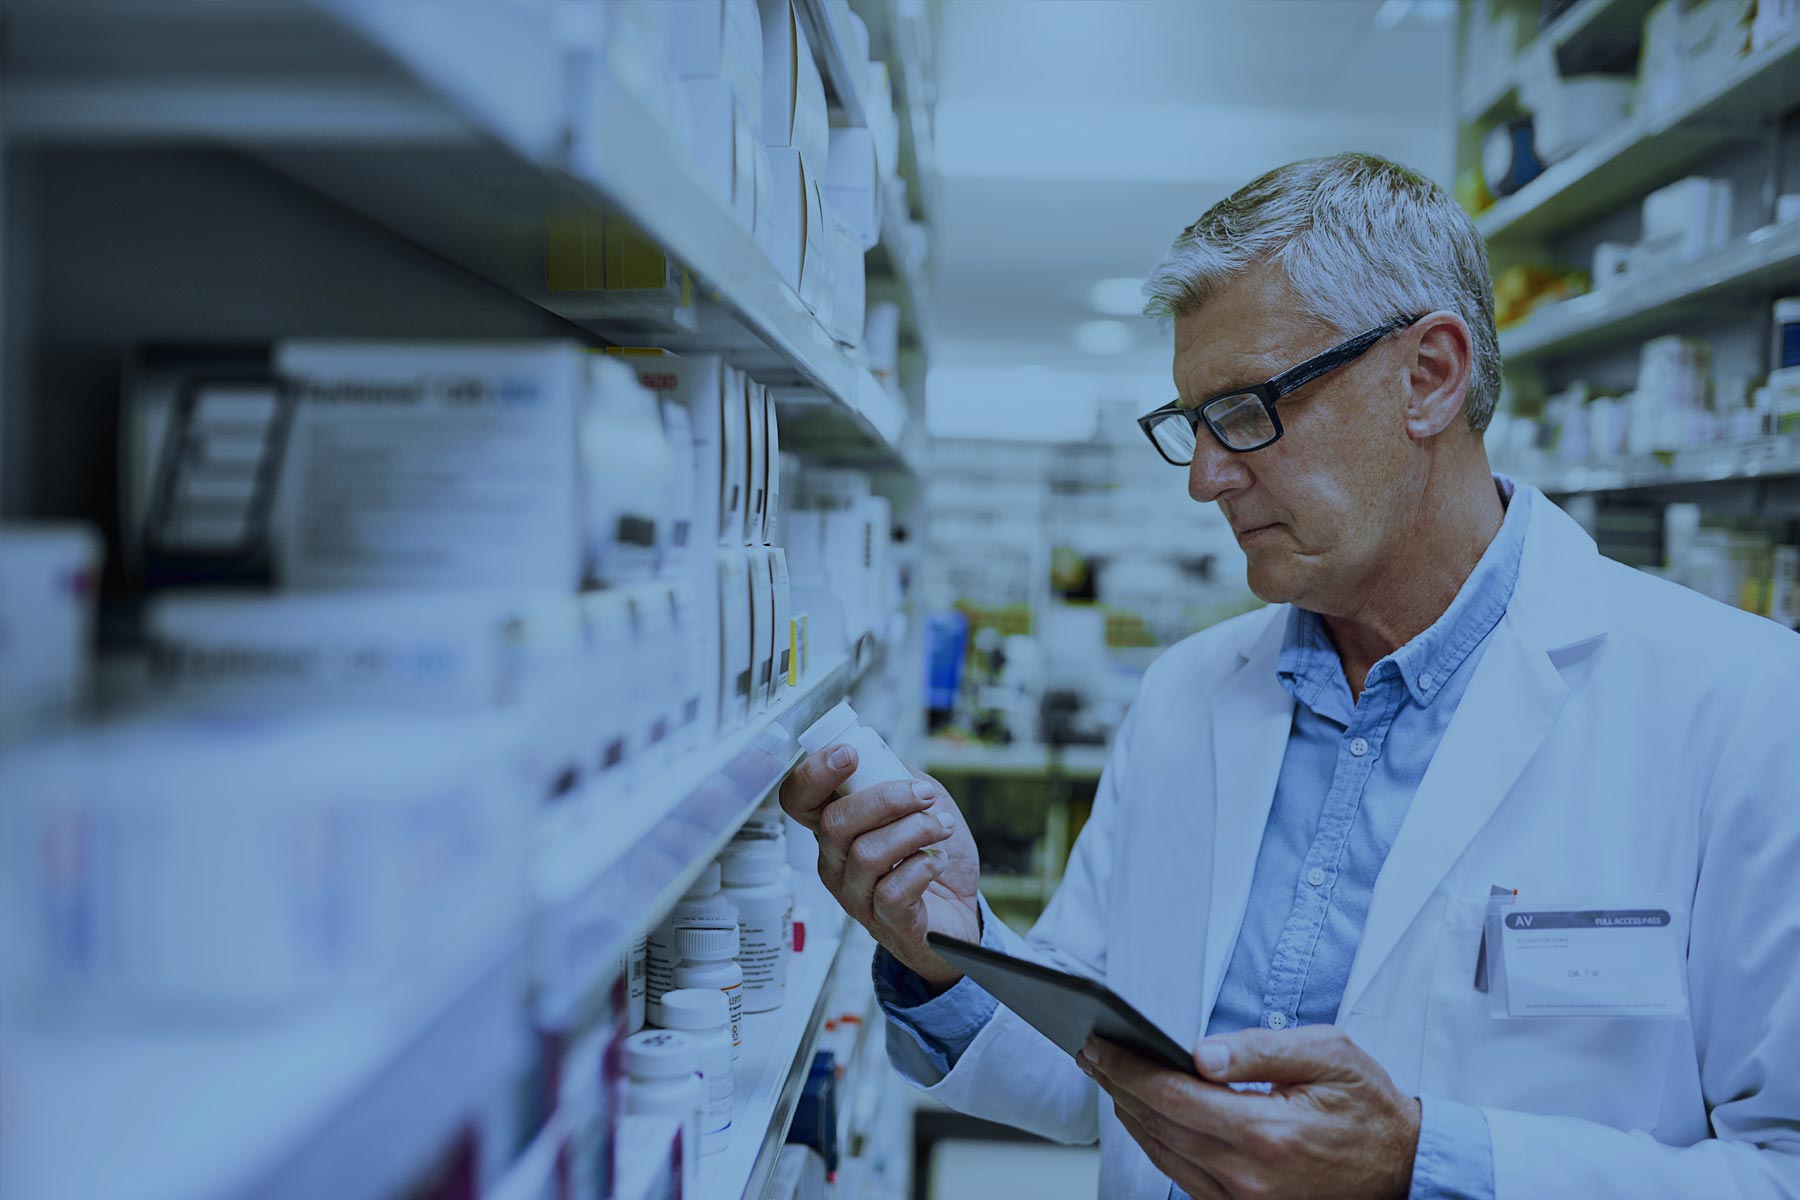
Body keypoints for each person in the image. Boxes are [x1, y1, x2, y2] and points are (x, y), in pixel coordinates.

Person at [779, 154, 1800, 1199]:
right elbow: (1096, 1078)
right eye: (1192, 423)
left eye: (1247, 410)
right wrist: (952, 943)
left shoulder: (1744, 708)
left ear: (1430, 376)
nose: (1205, 478)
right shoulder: (1187, 695)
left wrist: (1420, 1165)